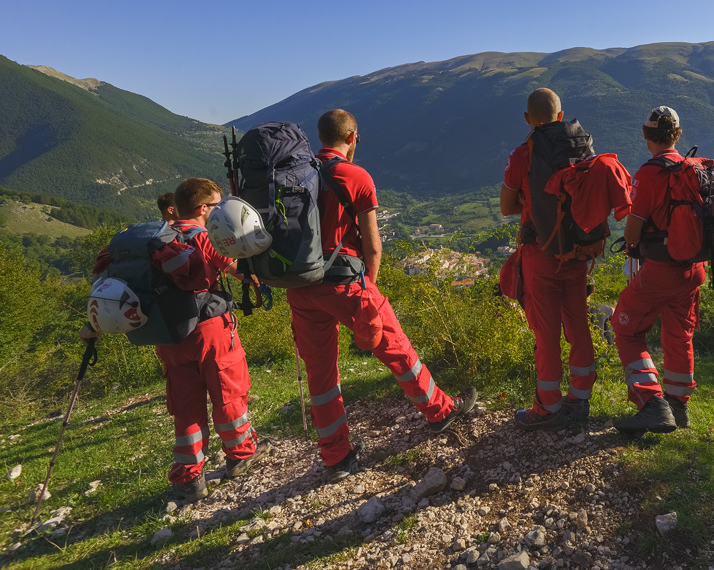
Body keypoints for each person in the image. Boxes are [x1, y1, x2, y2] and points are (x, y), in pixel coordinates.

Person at [286, 109, 477, 481]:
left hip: (300, 287)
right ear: (353, 137)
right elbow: (372, 246)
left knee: (321, 374)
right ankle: (439, 411)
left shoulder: (297, 176)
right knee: (396, 347)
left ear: (320, 137)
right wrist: (369, 288)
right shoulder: (354, 175)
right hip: (344, 283)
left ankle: (336, 456)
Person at [84, 178, 267, 500]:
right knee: (227, 394)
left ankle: (188, 476)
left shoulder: (154, 239)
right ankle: (241, 455)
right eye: (216, 205)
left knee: (185, 406)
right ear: (202, 209)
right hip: (209, 329)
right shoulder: (204, 237)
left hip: (166, 334)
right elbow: (237, 268)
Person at [501, 88, 597, 431]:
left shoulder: (522, 154)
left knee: (546, 332)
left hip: (540, 252)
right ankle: (580, 398)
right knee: (578, 325)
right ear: (560, 115)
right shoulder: (582, 149)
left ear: (528, 118)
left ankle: (548, 406)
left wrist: (533, 207)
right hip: (577, 251)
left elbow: (506, 206)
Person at [611, 106, 706, 433]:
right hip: (694, 267)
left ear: (645, 135)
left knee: (625, 327)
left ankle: (652, 403)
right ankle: (678, 407)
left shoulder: (649, 174)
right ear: (678, 135)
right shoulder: (693, 168)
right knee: (680, 332)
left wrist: (631, 239)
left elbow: (633, 230)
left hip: (661, 268)